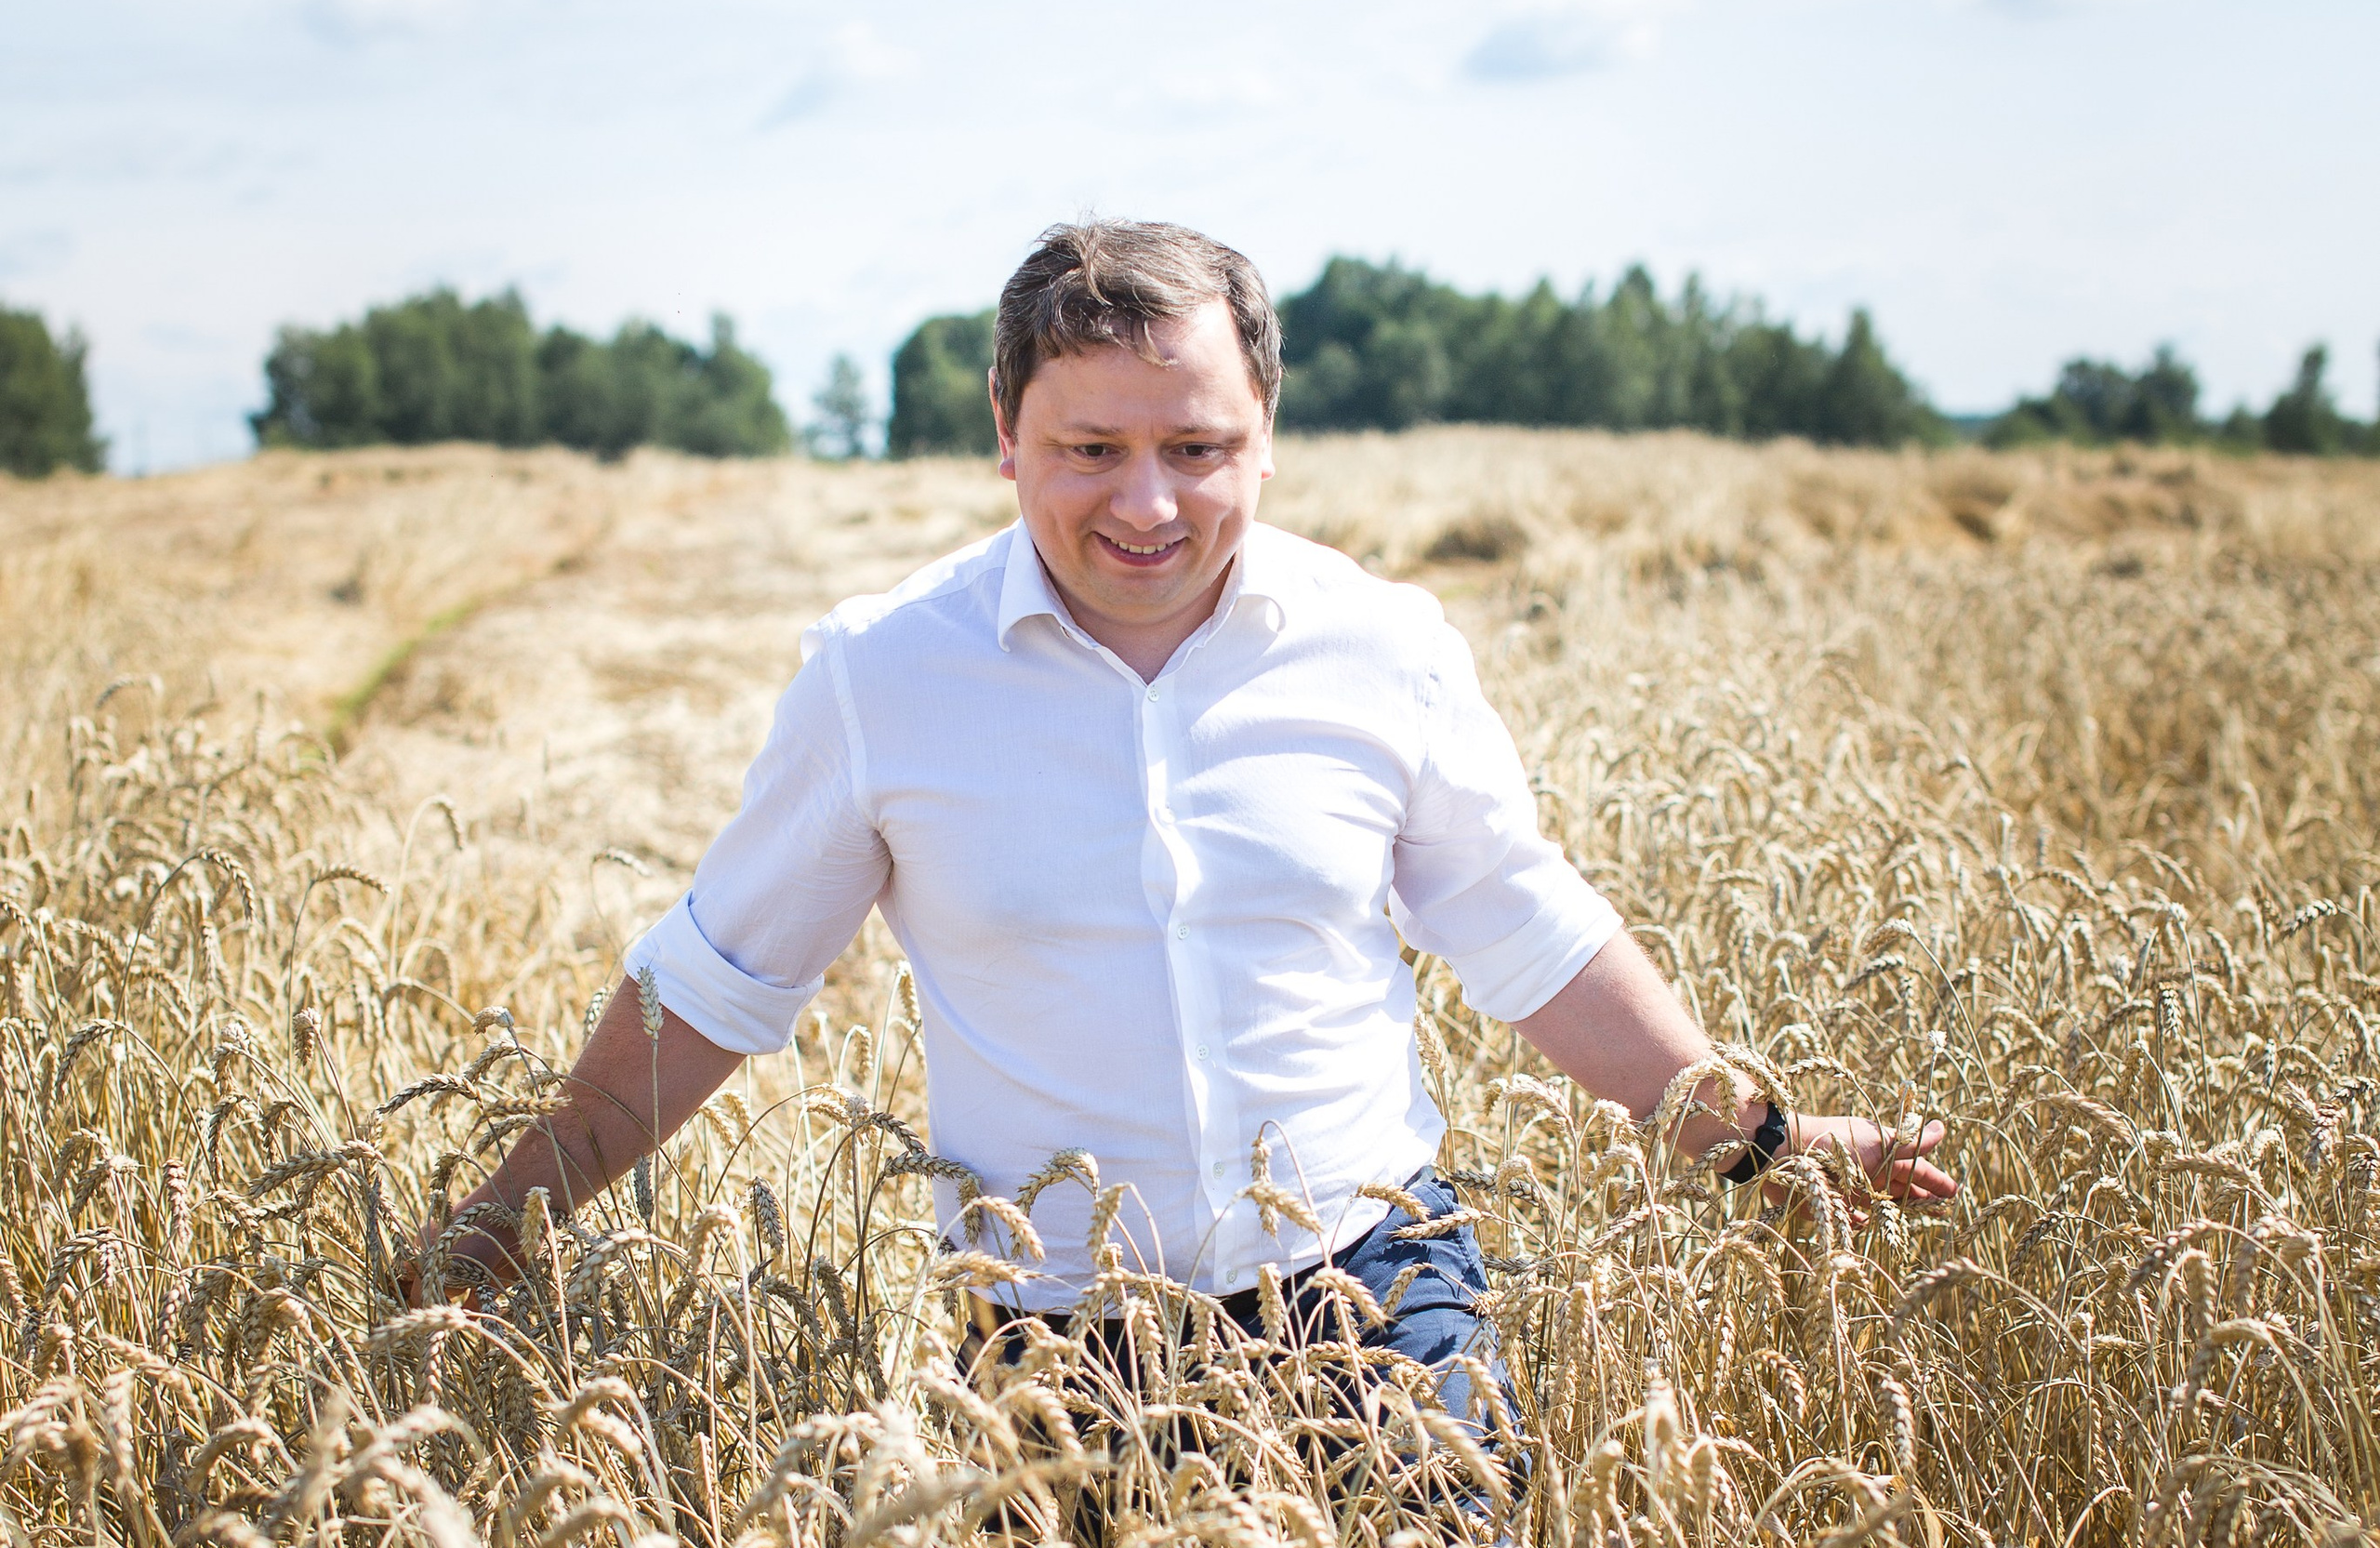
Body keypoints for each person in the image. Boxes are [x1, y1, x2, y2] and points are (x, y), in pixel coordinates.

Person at [426, 222, 1952, 1445]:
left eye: (1198, 448)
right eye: (1091, 450)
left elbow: (1523, 926)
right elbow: (719, 983)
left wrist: (1758, 1139)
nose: (1148, 501)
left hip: (1377, 1288)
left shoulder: (1381, 645)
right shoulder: (884, 678)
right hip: (1053, 1348)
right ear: (1005, 440)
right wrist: (500, 1221)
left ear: (1266, 435)